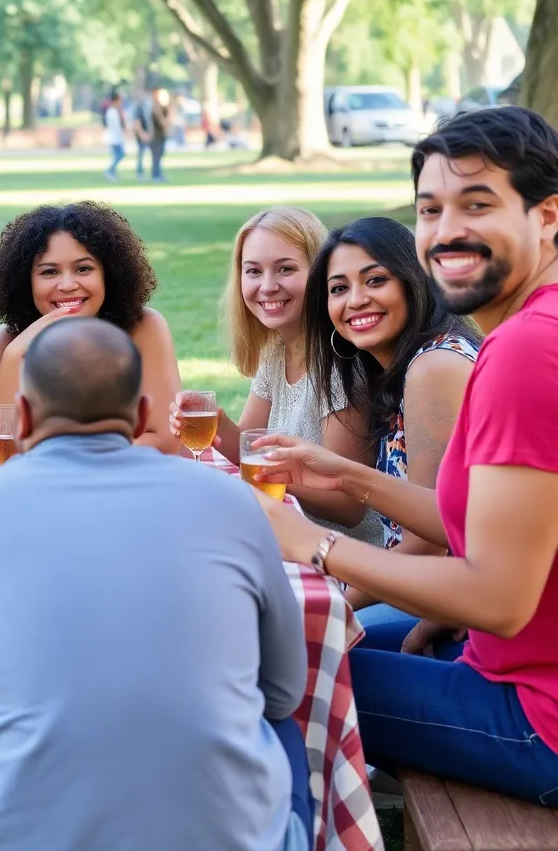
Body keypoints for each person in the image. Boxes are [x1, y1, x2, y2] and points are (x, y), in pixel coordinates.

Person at [0, 318, 313, 851]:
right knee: (282, 733)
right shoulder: (235, 503)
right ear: (141, 413)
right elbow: (281, 694)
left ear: (22, 418)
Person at [255, 107, 558, 804]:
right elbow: (480, 525)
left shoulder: (523, 349)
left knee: (272, 666)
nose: (447, 229)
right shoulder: (521, 335)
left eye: (477, 205)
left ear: (546, 216)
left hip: (535, 716)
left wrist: (314, 547)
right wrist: (348, 475)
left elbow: (500, 598)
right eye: (430, 209)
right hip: (498, 663)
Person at [169, 207, 384, 545]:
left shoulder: (342, 364)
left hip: (343, 555)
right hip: (287, 534)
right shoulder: (276, 349)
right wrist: (214, 424)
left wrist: (270, 476)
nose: (267, 286)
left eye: (285, 269)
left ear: (321, 272)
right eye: (253, 271)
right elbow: (249, 451)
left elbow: (349, 507)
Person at [300, 217, 478, 571]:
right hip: (419, 586)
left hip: (455, 599)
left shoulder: (434, 367)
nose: (356, 300)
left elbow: (431, 545)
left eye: (376, 280)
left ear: (413, 283)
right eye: (338, 289)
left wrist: (340, 598)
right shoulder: (396, 373)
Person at [0, 202, 181, 472]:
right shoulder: (8, 342)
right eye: (49, 272)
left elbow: (164, 443)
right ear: (27, 282)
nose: (68, 285)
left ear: (108, 274)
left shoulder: (144, 327)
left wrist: (50, 457)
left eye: (83, 269)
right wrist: (14, 356)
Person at [103, 90, 126, 180]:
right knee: (119, 155)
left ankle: (112, 172)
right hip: (114, 138)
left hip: (116, 137)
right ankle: (110, 171)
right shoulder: (112, 111)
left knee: (119, 155)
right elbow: (116, 126)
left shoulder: (115, 111)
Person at [149, 87, 170, 181]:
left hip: (161, 135)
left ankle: (158, 174)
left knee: (159, 155)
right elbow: (163, 122)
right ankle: (155, 175)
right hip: (155, 136)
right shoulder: (154, 107)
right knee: (156, 156)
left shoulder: (164, 108)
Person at [133, 96, 150, 179]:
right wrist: (142, 133)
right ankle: (140, 172)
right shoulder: (139, 108)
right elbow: (137, 122)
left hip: (148, 134)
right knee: (141, 153)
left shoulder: (147, 107)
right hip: (142, 135)